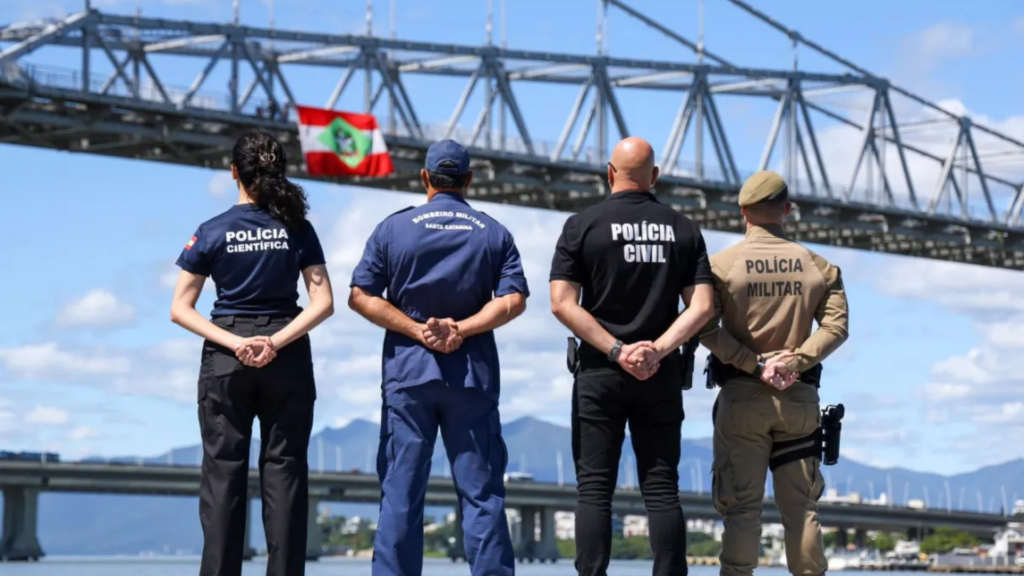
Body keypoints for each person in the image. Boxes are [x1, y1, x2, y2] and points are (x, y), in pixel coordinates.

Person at [348, 139, 529, 576]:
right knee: (482, 496)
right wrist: (461, 329)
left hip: (409, 376)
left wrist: (417, 331)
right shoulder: (494, 232)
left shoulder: (393, 229)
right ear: (469, 180)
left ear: (425, 178)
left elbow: (360, 296)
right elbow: (513, 300)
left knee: (401, 494)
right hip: (471, 378)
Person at [170, 130, 335, 576]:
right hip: (287, 356)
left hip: (227, 360)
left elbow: (179, 309)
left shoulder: (211, 230)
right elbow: (323, 302)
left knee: (223, 477)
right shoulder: (298, 228)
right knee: (285, 473)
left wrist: (237, 343)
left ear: (234, 173)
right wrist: (275, 342)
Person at [549, 136, 715, 576]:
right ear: (654, 176)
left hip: (599, 371)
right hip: (660, 374)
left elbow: (562, 304)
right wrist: (656, 351)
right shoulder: (684, 229)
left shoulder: (581, 226)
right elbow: (702, 307)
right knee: (661, 489)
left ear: (609, 173)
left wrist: (617, 350)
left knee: (594, 489)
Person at [697, 170, 849, 576]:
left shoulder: (720, 266)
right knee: (802, 508)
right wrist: (793, 362)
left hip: (741, 400)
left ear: (743, 212)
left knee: (741, 508)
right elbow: (836, 329)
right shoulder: (820, 268)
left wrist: (755, 363)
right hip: (798, 401)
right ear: (788, 210)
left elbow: (704, 328)